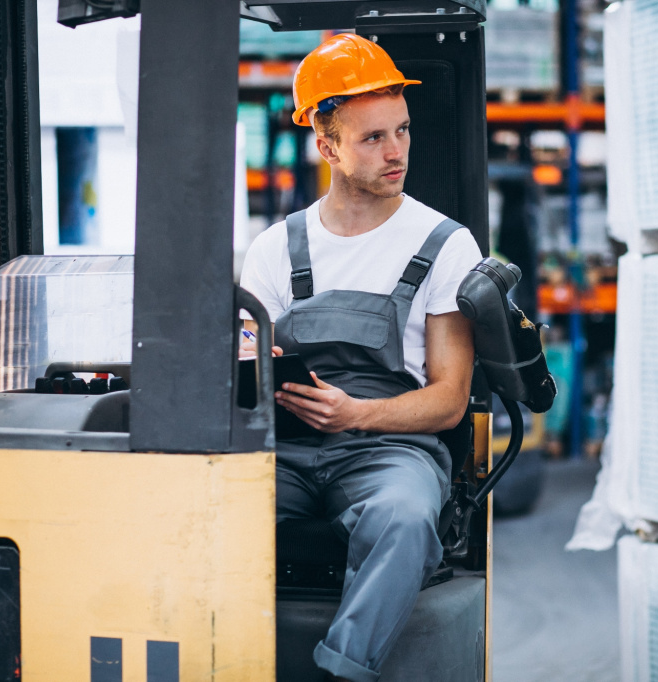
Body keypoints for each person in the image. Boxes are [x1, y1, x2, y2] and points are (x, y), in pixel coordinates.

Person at [238, 33, 482, 682]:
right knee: (204, 509)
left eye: (401, 130)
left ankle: (340, 673)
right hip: (286, 447)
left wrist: (355, 414)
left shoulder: (445, 244)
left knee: (403, 518)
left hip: (390, 447)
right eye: (373, 137)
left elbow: (449, 397)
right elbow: (242, 372)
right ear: (327, 146)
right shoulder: (273, 250)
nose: (396, 150)